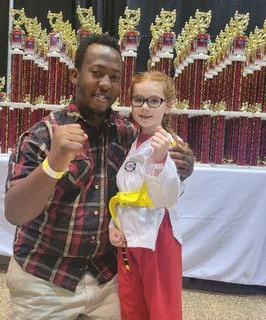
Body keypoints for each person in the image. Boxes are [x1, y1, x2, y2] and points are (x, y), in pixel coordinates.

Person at [4, 34, 194, 320]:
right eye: (96, 73)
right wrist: (53, 164)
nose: (105, 83)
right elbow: (15, 213)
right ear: (74, 76)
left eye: (115, 77)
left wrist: (182, 165)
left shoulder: (127, 134)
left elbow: (157, 183)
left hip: (108, 278)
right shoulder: (43, 135)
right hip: (45, 279)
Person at [109, 71, 184, 320]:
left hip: (157, 236)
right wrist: (113, 224)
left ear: (168, 105)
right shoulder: (134, 140)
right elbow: (124, 192)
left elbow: (168, 197)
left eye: (154, 100)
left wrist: (161, 160)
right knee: (132, 306)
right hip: (129, 237)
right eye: (138, 100)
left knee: (162, 310)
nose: (145, 107)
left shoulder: (172, 144)